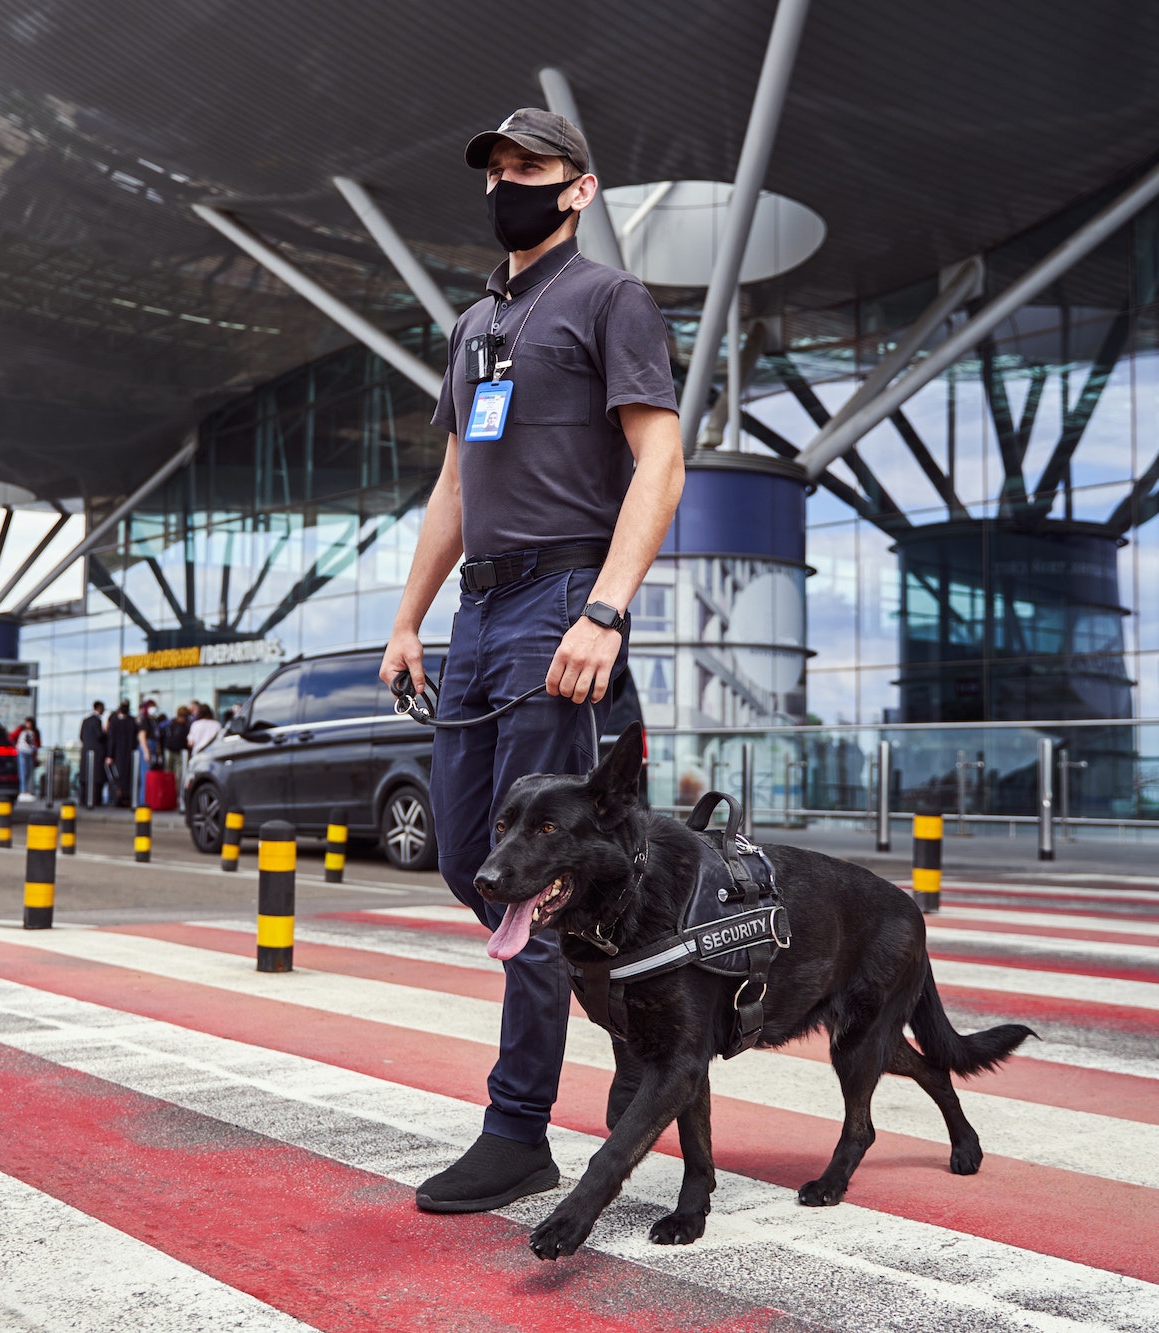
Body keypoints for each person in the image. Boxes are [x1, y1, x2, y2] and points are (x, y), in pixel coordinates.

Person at [379, 108, 685, 1214]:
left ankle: (517, 1128)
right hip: (476, 612)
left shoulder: (608, 300)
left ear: (579, 189)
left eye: (531, 167)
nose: (508, 181)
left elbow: (660, 457)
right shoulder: (472, 326)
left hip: (564, 597)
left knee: (535, 874)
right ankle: (623, 1002)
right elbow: (455, 485)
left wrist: (604, 609)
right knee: (473, 860)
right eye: (497, 168)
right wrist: (409, 617)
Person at [105, 698, 140, 809]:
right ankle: (125, 798)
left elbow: (111, 739)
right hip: (129, 753)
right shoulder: (132, 721)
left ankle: (118, 799)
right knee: (126, 776)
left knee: (118, 777)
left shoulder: (115, 721)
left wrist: (110, 755)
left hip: (119, 753)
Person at [79, 701, 108, 807]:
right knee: (97, 777)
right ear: (99, 709)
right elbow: (99, 735)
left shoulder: (85, 720)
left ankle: (83, 799)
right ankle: (95, 800)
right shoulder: (97, 721)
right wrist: (105, 733)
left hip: (86, 751)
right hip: (97, 753)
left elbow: (81, 736)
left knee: (85, 776)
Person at [14, 717, 39, 795]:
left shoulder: (35, 732)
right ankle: (23, 790)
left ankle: (26, 788)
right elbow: (12, 736)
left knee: (28, 771)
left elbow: (38, 743)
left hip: (30, 753)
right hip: (22, 751)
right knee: (23, 771)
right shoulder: (21, 730)